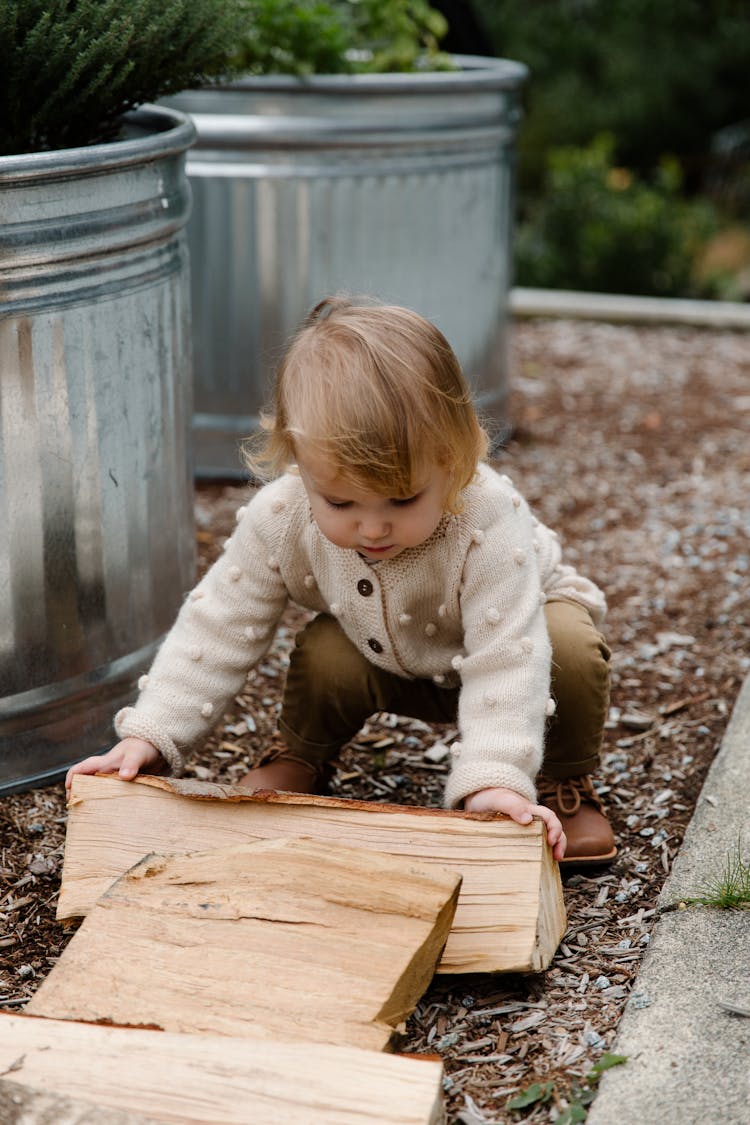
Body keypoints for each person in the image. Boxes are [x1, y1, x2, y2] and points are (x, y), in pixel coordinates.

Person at [65, 297, 615, 865]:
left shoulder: (487, 519)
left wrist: (494, 781)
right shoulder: (282, 517)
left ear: (453, 460)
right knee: (325, 650)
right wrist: (150, 735)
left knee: (567, 649)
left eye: (402, 499)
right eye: (341, 500)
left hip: (523, 648)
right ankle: (303, 754)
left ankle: (562, 780)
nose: (373, 526)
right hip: (389, 656)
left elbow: (508, 658)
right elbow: (218, 624)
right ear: (297, 460)